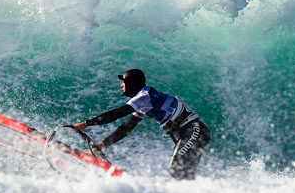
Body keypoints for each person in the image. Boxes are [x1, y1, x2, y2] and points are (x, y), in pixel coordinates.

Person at [73, 69, 211, 179]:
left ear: (131, 84)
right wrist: (104, 144)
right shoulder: (145, 100)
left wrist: (86, 123)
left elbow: (117, 114)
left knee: (176, 169)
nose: (121, 85)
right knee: (185, 175)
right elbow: (128, 126)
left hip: (194, 131)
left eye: (123, 82)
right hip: (193, 133)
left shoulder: (144, 97)